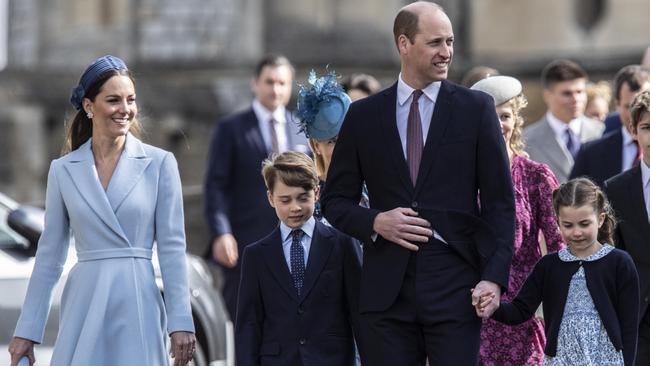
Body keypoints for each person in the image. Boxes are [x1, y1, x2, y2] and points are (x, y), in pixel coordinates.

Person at [320, 2, 516, 364]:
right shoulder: (363, 115)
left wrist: (493, 278)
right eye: (435, 43)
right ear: (404, 44)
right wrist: (375, 221)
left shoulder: (476, 110)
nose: (446, 53)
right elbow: (335, 201)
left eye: (451, 42)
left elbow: (500, 205)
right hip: (386, 290)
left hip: (456, 283)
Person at [7, 55, 196, 366]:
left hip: (138, 300)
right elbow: (49, 256)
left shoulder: (160, 164)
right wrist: (27, 331)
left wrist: (181, 322)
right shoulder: (63, 171)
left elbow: (173, 249)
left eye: (131, 99)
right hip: (85, 303)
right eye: (113, 100)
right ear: (89, 106)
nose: (125, 109)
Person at [479, 177, 640, 366]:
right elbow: (520, 311)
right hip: (561, 360)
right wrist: (494, 306)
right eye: (568, 225)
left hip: (606, 360)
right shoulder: (548, 266)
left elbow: (629, 327)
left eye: (584, 223)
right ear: (558, 223)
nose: (577, 232)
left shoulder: (620, 263)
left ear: (600, 219)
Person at [203, 54, 310, 319]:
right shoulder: (231, 128)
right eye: (269, 82)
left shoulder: (302, 129)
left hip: (295, 242)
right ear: (255, 83)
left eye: (282, 83)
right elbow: (216, 185)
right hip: (245, 244)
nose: (276, 89)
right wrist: (221, 233)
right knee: (246, 320)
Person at [471, 76, 565, 365]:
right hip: (470, 316)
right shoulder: (458, 179)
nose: (499, 124)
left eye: (506, 116)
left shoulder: (535, 176)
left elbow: (560, 246)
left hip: (522, 318)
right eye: (491, 117)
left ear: (516, 120)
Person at [235, 151, 362, 366]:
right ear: (270, 198)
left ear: (317, 193)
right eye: (285, 200)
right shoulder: (256, 255)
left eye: (303, 198)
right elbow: (249, 325)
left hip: (333, 359)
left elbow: (360, 313)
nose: (295, 207)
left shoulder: (342, 244)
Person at [605, 89, 650, 366]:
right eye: (647, 127)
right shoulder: (616, 188)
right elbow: (613, 256)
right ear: (633, 130)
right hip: (638, 319)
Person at [523, 59, 604, 183]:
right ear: (547, 96)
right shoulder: (527, 140)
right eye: (567, 93)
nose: (576, 99)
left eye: (580, 92)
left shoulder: (602, 131)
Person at [571, 65, 650, 187]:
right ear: (616, 105)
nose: (635, 115)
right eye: (629, 106)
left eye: (643, 107)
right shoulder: (591, 153)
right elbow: (571, 201)